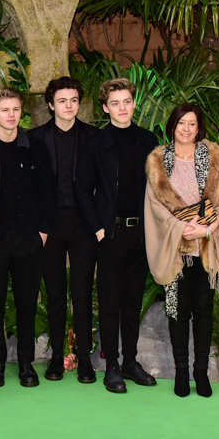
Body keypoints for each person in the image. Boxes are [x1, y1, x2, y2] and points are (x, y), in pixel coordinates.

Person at [144, 104, 219, 397]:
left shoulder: (214, 159)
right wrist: (180, 228)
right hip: (176, 249)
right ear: (172, 126)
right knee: (178, 311)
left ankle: (201, 371)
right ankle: (182, 372)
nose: (186, 129)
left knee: (204, 310)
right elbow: (155, 207)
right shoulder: (159, 161)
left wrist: (207, 230)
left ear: (199, 128)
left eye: (192, 123)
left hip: (207, 248)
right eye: (181, 123)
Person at [0, 88, 55, 388]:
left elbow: (48, 193)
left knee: (27, 305)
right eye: (5, 109)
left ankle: (26, 364)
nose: (11, 115)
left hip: (29, 238)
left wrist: (42, 234)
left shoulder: (36, 148)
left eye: (15, 109)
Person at [75, 78, 159, 394]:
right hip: (110, 235)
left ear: (134, 104)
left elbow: (160, 188)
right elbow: (82, 188)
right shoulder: (95, 143)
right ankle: (111, 366)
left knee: (132, 302)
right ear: (105, 108)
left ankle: (130, 362)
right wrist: (98, 229)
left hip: (141, 234)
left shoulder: (148, 140)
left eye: (126, 102)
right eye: (115, 103)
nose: (122, 108)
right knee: (110, 302)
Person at [27, 77, 98, 383]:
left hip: (83, 226)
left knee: (81, 294)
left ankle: (85, 360)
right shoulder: (34, 139)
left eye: (73, 100)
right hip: (49, 226)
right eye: (62, 101)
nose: (68, 106)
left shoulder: (94, 137)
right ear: (50, 104)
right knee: (55, 294)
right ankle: (56, 357)